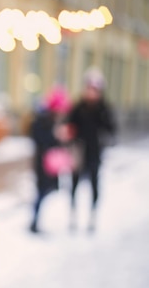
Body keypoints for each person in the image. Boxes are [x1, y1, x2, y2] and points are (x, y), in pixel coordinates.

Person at [67, 67, 116, 231]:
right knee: (74, 184)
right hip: (79, 152)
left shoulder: (104, 109)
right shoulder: (78, 107)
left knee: (94, 184)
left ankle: (92, 216)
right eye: (89, 88)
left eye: (95, 89)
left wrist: (105, 138)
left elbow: (111, 130)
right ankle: (73, 215)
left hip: (95, 153)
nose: (91, 92)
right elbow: (69, 126)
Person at [28, 85, 73, 233]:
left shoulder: (54, 120)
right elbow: (39, 137)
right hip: (43, 162)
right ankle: (34, 222)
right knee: (41, 191)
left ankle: (36, 221)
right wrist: (55, 137)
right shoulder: (44, 120)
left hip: (50, 163)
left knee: (46, 191)